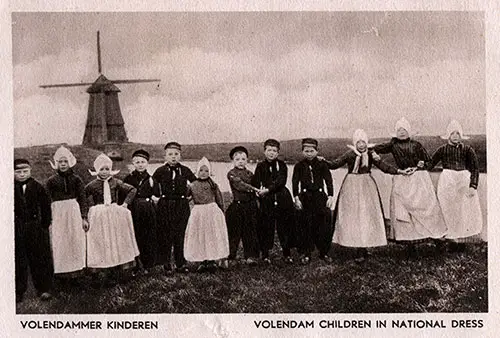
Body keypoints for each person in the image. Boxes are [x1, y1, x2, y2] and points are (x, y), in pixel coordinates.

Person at [324, 129, 408, 261]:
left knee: (366, 215)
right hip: (351, 186)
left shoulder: (370, 154)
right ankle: (350, 242)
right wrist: (323, 161)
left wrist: (399, 171)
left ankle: (362, 247)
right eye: (359, 142)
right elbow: (335, 164)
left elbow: (383, 166)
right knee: (351, 215)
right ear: (355, 143)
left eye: (363, 142)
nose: (361, 145)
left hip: (367, 186)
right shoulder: (350, 154)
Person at [373, 118, 447, 256]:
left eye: (404, 130)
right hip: (402, 178)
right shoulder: (392, 144)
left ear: (409, 131)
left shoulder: (416, 145)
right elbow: (373, 149)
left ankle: (438, 241)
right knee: (404, 212)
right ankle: (410, 245)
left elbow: (428, 161)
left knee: (426, 209)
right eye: (399, 130)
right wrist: (375, 156)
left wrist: (421, 164)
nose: (401, 133)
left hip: (418, 178)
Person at [427, 120, 482, 252]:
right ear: (448, 135)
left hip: (463, 180)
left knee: (462, 210)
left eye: (458, 133)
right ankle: (451, 241)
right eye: (453, 133)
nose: (456, 136)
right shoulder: (442, 150)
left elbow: (475, 168)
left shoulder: (468, 150)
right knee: (448, 209)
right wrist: (418, 164)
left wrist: (472, 186)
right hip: (447, 181)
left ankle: (461, 241)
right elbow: (430, 164)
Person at [85, 154, 139, 284]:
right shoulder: (92, 185)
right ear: (97, 170)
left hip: (113, 215)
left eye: (107, 169)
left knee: (115, 240)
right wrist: (89, 209)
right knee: (101, 241)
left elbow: (132, 189)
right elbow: (83, 197)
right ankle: (100, 273)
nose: (104, 172)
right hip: (99, 215)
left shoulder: (115, 182)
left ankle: (115, 272)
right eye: (102, 169)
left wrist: (125, 204)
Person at [153, 142, 197, 274]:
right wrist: (156, 198)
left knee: (180, 234)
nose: (173, 157)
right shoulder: (160, 171)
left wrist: (190, 195)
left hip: (181, 205)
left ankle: (180, 263)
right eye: (170, 154)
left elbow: (195, 184)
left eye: (176, 154)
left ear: (180, 156)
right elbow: (153, 186)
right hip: (165, 205)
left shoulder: (185, 170)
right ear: (165, 156)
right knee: (166, 234)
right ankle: (166, 264)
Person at [46, 146, 88, 282]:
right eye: (60, 162)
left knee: (75, 238)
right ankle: (62, 273)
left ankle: (77, 272)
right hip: (58, 211)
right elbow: (47, 199)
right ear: (56, 164)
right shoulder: (51, 181)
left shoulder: (77, 179)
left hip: (73, 210)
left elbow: (82, 198)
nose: (63, 165)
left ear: (70, 162)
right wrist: (49, 218)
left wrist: (84, 217)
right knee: (60, 240)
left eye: (65, 162)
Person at [14, 158, 53, 303]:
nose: (22, 174)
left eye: (25, 171)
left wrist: (45, 223)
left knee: (39, 257)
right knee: (19, 258)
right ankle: (19, 290)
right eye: (18, 172)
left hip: (35, 227)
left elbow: (45, 206)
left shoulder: (37, 187)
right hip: (17, 226)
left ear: (30, 171)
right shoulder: (9, 187)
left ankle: (43, 289)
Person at [252, 139, 296, 264]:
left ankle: (287, 253)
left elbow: (281, 181)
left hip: (282, 198)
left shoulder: (282, 165)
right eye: (269, 150)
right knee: (266, 226)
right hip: (267, 200)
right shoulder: (260, 165)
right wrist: (258, 191)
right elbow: (256, 181)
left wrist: (268, 189)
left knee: (285, 226)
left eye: (274, 151)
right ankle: (265, 254)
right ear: (264, 151)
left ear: (278, 152)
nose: (271, 153)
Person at [292, 138, 335, 265]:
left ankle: (324, 252)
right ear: (302, 152)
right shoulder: (299, 166)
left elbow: (329, 181)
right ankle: (306, 252)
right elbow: (295, 182)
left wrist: (331, 196)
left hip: (320, 197)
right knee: (305, 224)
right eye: (306, 151)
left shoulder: (322, 164)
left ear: (316, 151)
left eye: (312, 151)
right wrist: (296, 197)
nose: (309, 153)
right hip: (305, 197)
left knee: (324, 223)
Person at [184, 157, 229, 272]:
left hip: (212, 212)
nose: (203, 173)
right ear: (197, 171)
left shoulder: (213, 185)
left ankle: (212, 260)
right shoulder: (192, 185)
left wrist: (222, 212)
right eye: (201, 171)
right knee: (200, 235)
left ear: (209, 172)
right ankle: (202, 261)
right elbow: (186, 198)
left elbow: (219, 199)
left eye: (206, 171)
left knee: (211, 236)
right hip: (198, 212)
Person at [123, 149, 160, 274]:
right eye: (137, 162)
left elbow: (156, 194)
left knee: (148, 236)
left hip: (148, 210)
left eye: (143, 162)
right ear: (133, 163)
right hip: (134, 209)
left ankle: (148, 264)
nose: (140, 164)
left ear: (147, 163)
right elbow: (123, 195)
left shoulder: (151, 179)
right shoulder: (128, 178)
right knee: (135, 235)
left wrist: (154, 199)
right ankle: (136, 265)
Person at [226, 146, 261, 266]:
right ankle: (231, 257)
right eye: (237, 159)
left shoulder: (250, 174)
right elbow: (240, 185)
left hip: (250, 206)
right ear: (233, 161)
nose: (240, 161)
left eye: (243, 159)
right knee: (234, 232)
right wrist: (255, 189)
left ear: (246, 160)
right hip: (237, 206)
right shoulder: (231, 174)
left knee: (250, 231)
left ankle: (250, 256)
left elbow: (257, 184)